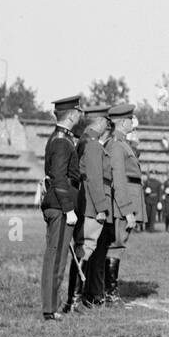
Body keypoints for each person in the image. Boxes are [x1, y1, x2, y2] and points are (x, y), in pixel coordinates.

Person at [66, 102, 112, 312]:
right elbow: (94, 178)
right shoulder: (93, 145)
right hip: (92, 205)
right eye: (107, 122)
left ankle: (76, 298)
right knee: (85, 249)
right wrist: (102, 207)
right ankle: (74, 300)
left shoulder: (85, 141)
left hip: (86, 202)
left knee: (83, 249)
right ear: (101, 122)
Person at [40, 94, 83, 321]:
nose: (80, 115)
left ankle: (52, 306)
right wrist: (68, 208)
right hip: (59, 206)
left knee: (58, 257)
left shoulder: (62, 138)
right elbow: (58, 176)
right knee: (55, 257)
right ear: (72, 114)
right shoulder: (61, 140)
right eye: (79, 111)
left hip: (59, 204)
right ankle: (50, 308)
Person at [105, 103, 141, 303]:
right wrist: (127, 210)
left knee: (116, 245)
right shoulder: (117, 145)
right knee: (115, 246)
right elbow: (119, 178)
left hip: (124, 202)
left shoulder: (120, 143)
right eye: (130, 120)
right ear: (122, 122)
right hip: (122, 204)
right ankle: (110, 293)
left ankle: (108, 291)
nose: (132, 123)